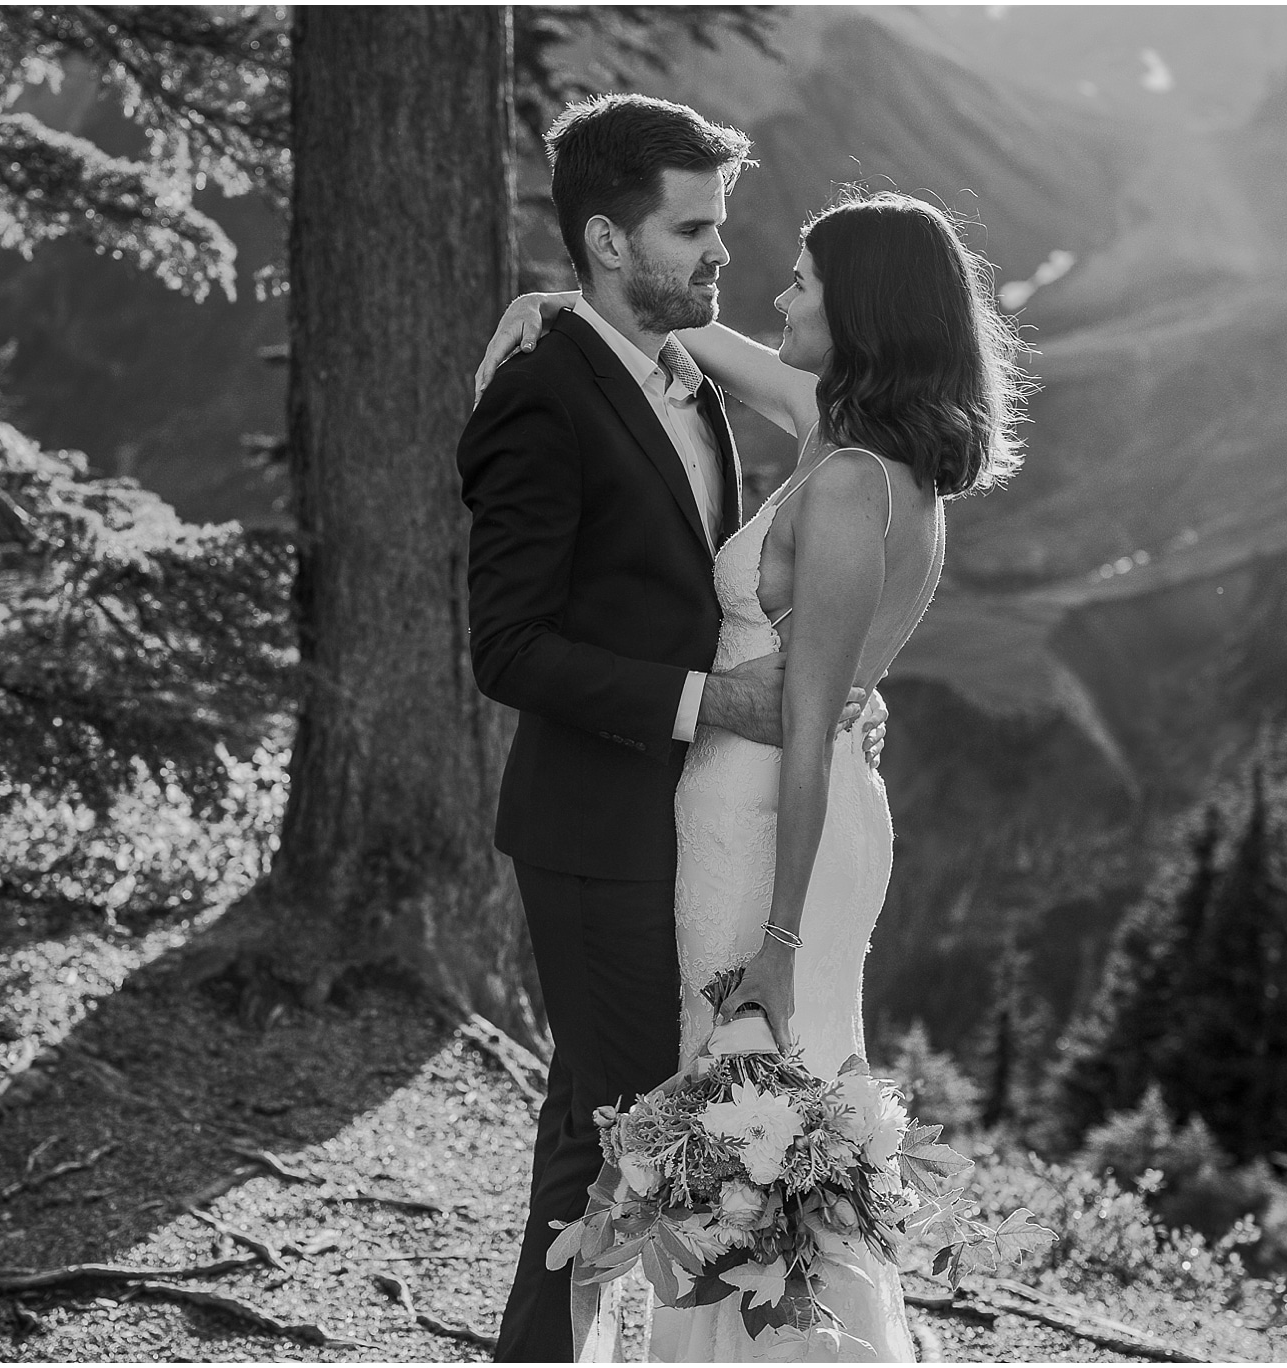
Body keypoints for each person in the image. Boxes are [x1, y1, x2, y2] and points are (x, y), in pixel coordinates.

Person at [474, 186, 1029, 1360]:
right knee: (776, 1113)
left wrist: (775, 940)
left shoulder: (844, 484)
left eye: (804, 281)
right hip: (802, 805)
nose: (775, 292)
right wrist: (559, 305)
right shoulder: (857, 435)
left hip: (774, 818)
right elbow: (683, 335)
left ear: (860, 308)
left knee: (744, 1110)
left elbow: (803, 721)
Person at [455, 95, 887, 1362]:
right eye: (692, 229)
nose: (721, 257)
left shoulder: (691, 384)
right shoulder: (540, 394)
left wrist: (835, 685)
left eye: (722, 227)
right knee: (646, 1135)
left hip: (695, 826)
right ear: (604, 238)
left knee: (590, 1138)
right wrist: (722, 705)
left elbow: (720, 595)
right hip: (593, 830)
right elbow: (509, 647)